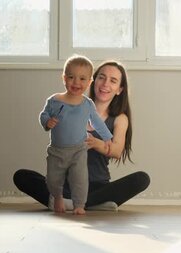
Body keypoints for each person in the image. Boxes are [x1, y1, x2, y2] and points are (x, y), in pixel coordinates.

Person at [14, 60, 150, 211]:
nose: (105, 84)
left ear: (119, 89)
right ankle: (92, 204)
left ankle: (80, 202)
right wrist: (49, 122)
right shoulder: (69, 105)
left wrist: (96, 143)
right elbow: (48, 121)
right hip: (65, 185)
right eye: (101, 77)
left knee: (141, 179)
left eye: (113, 81)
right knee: (22, 176)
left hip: (97, 186)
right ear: (93, 80)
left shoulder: (119, 118)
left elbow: (117, 151)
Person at [40, 55, 113, 215]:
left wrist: (107, 137)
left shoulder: (87, 104)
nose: (76, 83)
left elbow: (97, 122)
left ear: (89, 82)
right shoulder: (54, 101)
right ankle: (57, 196)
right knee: (53, 179)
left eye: (82, 79)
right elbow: (43, 115)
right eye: (71, 77)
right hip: (57, 151)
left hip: (78, 150)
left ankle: (79, 204)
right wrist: (47, 122)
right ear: (64, 78)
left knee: (79, 178)